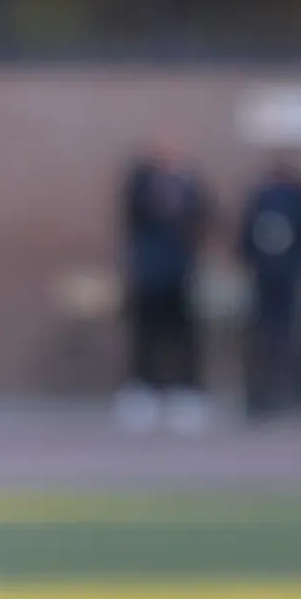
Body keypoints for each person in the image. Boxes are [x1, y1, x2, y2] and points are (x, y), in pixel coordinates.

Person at [115, 139, 211, 431]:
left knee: (184, 335)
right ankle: (143, 390)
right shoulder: (141, 184)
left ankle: (186, 391)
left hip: (179, 273)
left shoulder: (189, 185)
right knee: (146, 334)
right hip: (147, 274)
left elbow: (205, 215)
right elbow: (132, 214)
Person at [236, 161, 301, 418]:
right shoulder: (266, 198)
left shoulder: (295, 199)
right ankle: (266, 395)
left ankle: (291, 394)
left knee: (289, 335)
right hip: (270, 278)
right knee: (271, 336)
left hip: (285, 277)